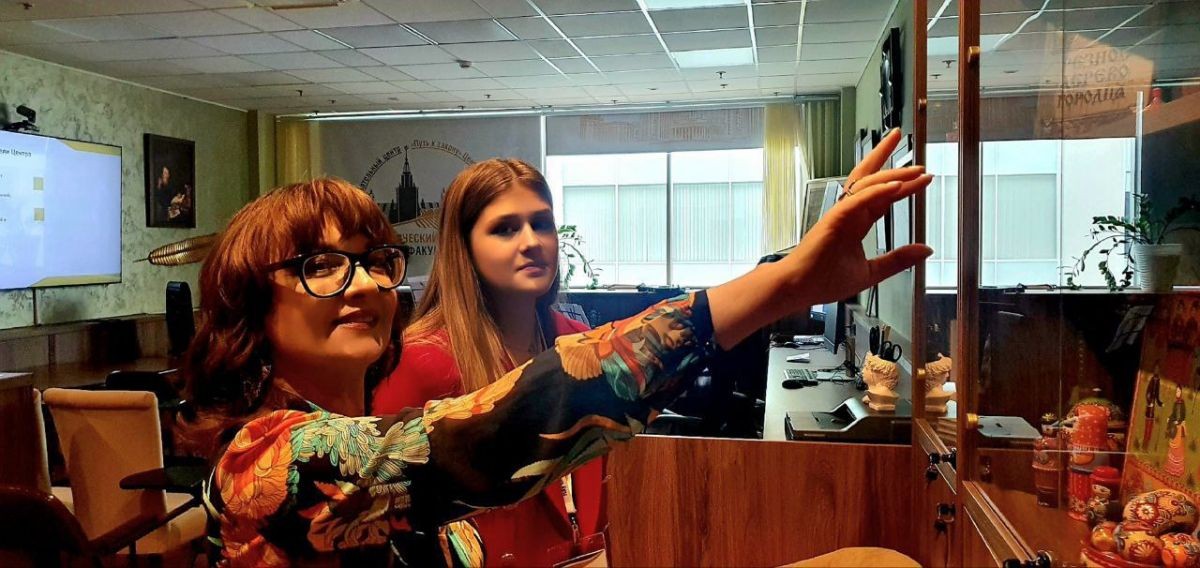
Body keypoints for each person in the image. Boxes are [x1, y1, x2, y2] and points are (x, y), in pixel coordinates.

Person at [184, 128, 932, 566]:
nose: (362, 286)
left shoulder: (397, 459)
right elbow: (492, 436)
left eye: (374, 261)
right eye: (320, 266)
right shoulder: (263, 462)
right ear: (249, 304)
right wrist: (783, 282)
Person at [372, 159, 605, 566]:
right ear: (464, 247)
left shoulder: (579, 342)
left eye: (542, 224)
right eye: (505, 229)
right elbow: (389, 520)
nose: (532, 242)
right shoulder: (421, 361)